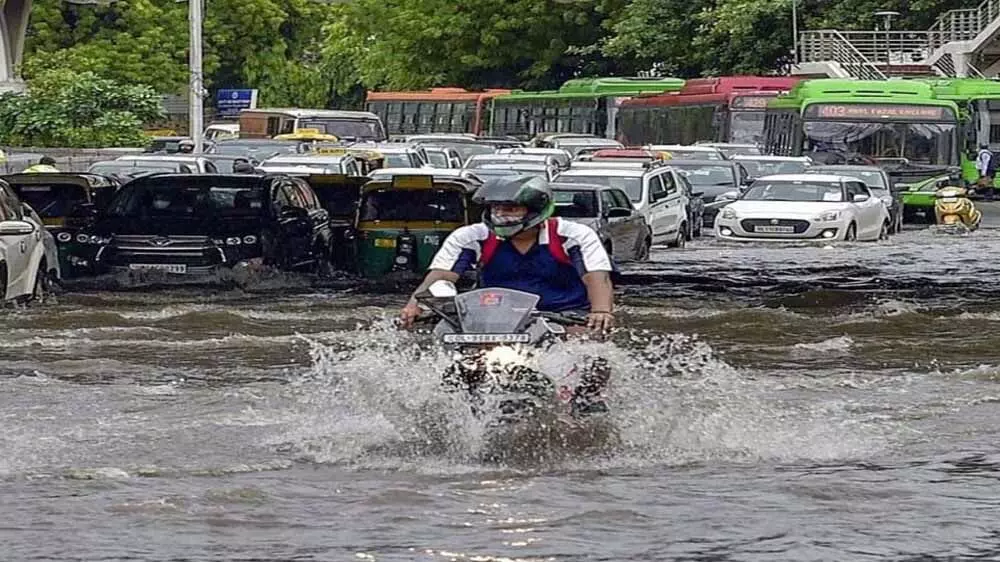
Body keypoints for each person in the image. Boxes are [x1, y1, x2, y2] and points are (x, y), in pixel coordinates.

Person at [399, 176, 616, 412]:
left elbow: (597, 277)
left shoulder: (573, 235)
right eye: (496, 209)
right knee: (463, 361)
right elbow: (441, 275)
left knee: (592, 354)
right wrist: (414, 307)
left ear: (535, 210)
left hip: (563, 317)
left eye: (511, 209)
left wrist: (601, 311)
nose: (501, 215)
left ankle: (587, 403)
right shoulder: (471, 236)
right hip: (496, 320)